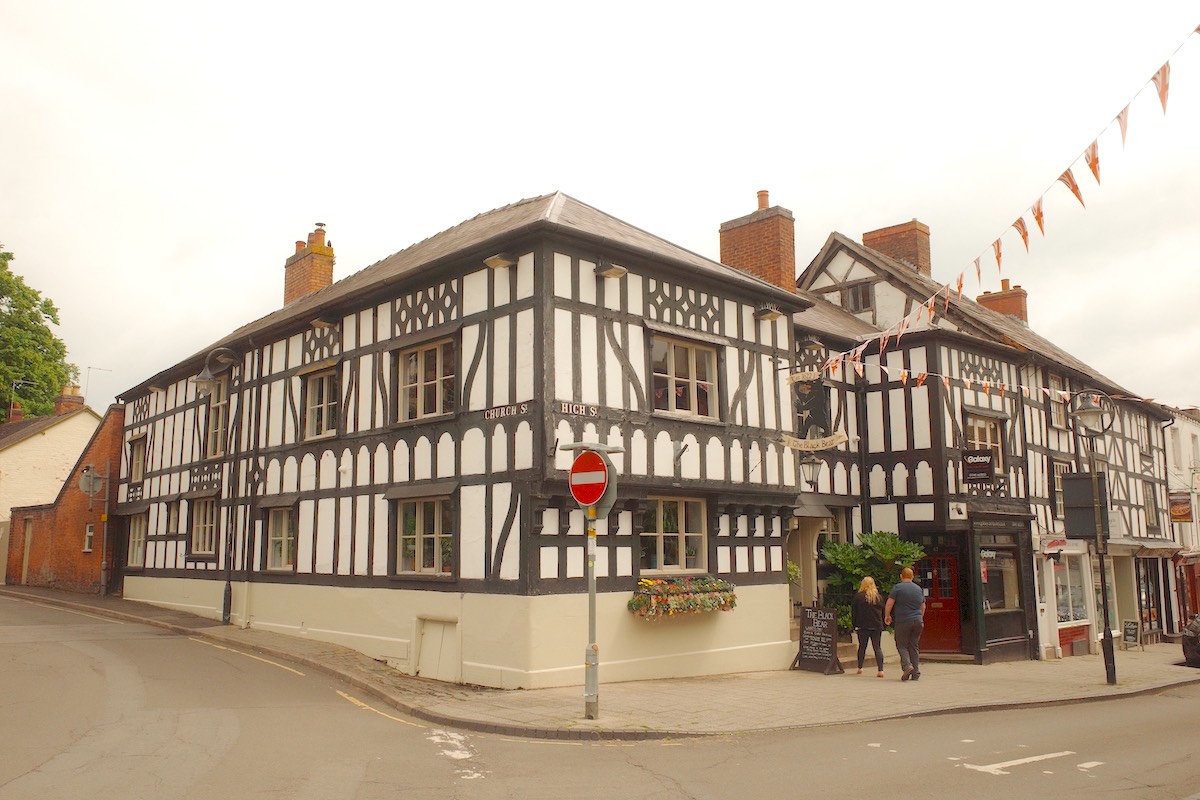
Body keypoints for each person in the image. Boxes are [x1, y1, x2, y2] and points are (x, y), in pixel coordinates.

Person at [884, 566, 926, 681]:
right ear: (912, 577)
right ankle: (916, 672)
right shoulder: (918, 589)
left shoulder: (897, 588)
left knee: (901, 644)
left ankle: (907, 666)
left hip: (903, 620)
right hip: (917, 621)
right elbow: (923, 606)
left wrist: (887, 616)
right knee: (913, 645)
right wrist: (919, 618)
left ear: (901, 576)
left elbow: (889, 603)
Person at [851, 576, 885, 677]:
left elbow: (854, 613)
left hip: (863, 625)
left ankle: (860, 668)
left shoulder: (858, 597)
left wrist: (854, 625)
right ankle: (880, 670)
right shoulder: (879, 597)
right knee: (877, 647)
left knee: (862, 647)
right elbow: (882, 612)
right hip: (877, 625)